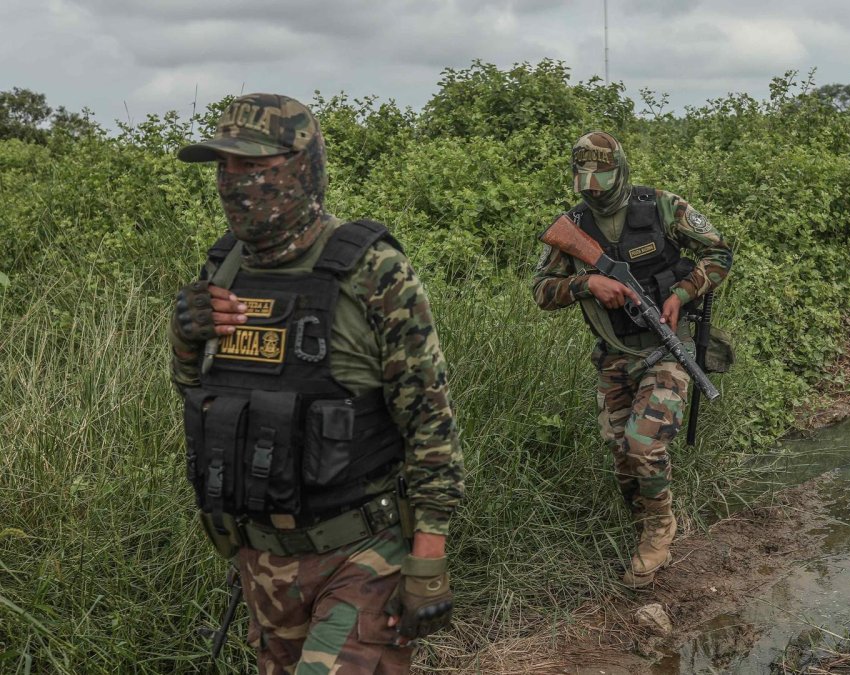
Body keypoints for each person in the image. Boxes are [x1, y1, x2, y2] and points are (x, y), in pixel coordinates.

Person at [169, 93, 463, 673]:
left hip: (361, 556)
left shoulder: (373, 271)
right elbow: (197, 397)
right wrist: (184, 336)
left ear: (302, 167)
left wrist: (428, 561)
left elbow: (430, 422)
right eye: (224, 166)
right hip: (262, 565)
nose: (234, 181)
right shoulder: (223, 269)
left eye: (253, 166)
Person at [532, 131, 733, 586]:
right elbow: (541, 290)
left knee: (644, 442)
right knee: (622, 454)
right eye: (585, 182)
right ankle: (642, 516)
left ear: (621, 170)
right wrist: (587, 285)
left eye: (602, 179)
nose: (593, 190)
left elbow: (719, 253)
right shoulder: (573, 225)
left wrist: (682, 294)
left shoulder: (662, 206)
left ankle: (661, 526)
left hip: (666, 347)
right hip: (614, 356)